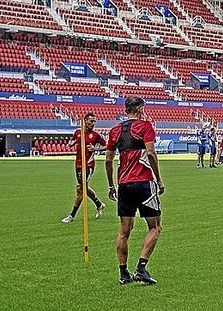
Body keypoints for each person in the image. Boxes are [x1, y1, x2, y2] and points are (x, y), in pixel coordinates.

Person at [105, 97, 164, 285]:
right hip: (143, 183)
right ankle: (141, 268)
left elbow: (108, 160)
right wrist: (159, 179)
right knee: (155, 227)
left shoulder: (115, 131)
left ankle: (123, 274)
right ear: (139, 109)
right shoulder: (145, 126)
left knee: (124, 231)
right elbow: (151, 153)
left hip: (123, 185)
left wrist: (111, 185)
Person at [61, 113, 107, 223]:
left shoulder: (95, 135)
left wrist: (95, 149)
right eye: (91, 121)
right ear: (85, 121)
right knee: (84, 188)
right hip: (78, 164)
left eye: (94, 122)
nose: (93, 124)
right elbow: (72, 140)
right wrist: (71, 143)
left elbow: (108, 145)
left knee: (80, 190)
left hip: (89, 165)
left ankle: (71, 216)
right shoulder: (78, 133)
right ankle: (99, 204)